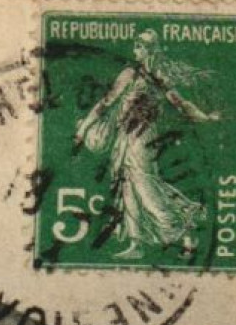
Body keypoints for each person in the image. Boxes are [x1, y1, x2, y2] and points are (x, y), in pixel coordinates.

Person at [74, 30, 221, 259]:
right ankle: (137, 244)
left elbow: (181, 104)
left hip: (143, 138)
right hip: (126, 136)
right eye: (135, 45)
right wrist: (83, 130)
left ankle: (183, 229)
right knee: (127, 187)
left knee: (146, 187)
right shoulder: (130, 74)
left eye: (139, 46)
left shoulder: (158, 77)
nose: (135, 50)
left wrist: (205, 117)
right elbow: (106, 103)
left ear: (149, 50)